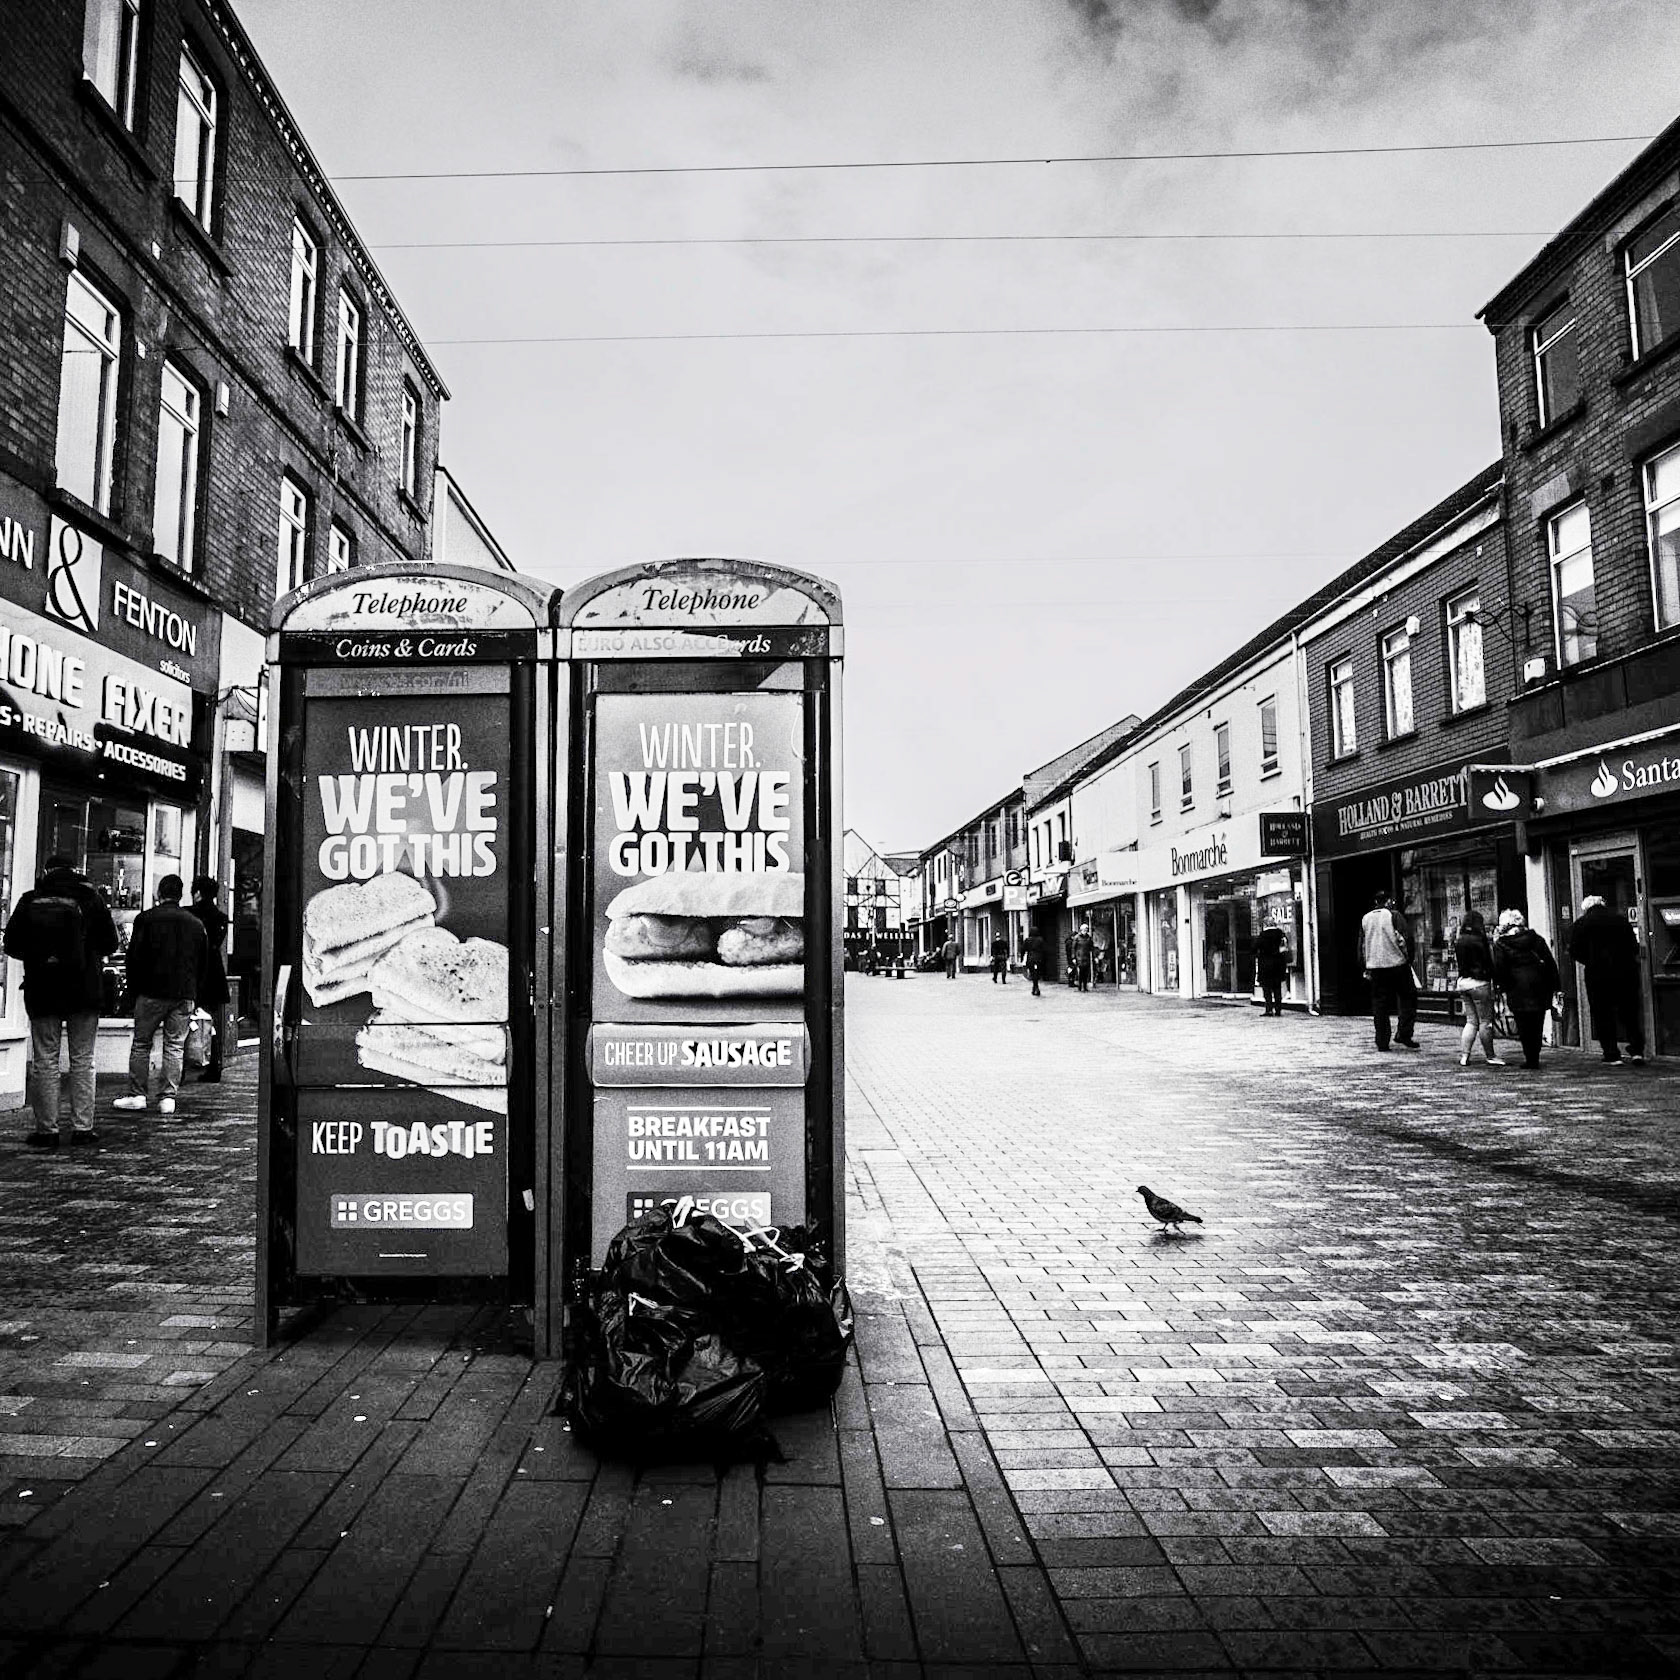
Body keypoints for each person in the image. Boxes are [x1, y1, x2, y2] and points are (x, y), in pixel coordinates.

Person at [3, 855, 119, 1147]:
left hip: (42, 988)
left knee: (45, 1059)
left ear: (46, 872)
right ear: (75, 871)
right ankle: (82, 1128)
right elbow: (110, 943)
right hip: (84, 989)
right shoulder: (91, 899)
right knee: (82, 1059)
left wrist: (41, 959)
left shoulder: (31, 900)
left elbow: (12, 944)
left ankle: (47, 1130)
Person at [113, 875, 207, 1116]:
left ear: (159, 893)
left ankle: (138, 1094)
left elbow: (133, 958)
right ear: (181, 894)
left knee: (142, 1043)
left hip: (151, 990)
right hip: (183, 992)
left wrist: (130, 991)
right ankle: (168, 1097)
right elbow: (202, 962)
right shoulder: (195, 924)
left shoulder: (146, 919)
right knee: (175, 1045)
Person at [1569, 894, 1645, 1065]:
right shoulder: (1620, 920)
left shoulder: (1581, 924)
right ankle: (1637, 1050)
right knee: (1629, 1013)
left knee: (1603, 1013)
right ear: (1602, 904)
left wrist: (1590, 960)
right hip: (1626, 973)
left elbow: (1574, 950)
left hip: (1598, 975)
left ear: (1586, 908)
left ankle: (1612, 1053)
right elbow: (1634, 946)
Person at [1492, 909, 1560, 1070]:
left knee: (1523, 1024)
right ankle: (1534, 1056)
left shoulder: (1501, 944)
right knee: (1537, 1022)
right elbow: (1550, 963)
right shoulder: (1536, 939)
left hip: (1517, 988)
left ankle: (1529, 1056)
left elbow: (1500, 969)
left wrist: (1502, 987)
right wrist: (1555, 986)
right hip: (1539, 986)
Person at [1360, 889, 1418, 1051]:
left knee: (1380, 1005)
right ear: (1388, 902)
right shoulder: (1394, 916)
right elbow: (1405, 939)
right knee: (1408, 998)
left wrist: (1365, 966)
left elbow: (1362, 946)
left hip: (1376, 967)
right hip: (1397, 965)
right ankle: (1404, 1033)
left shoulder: (1366, 919)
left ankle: (1382, 1041)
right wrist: (1408, 959)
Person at [188, 875, 229, 1082]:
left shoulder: (189, 914)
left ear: (197, 893)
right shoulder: (221, 918)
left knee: (185, 1020)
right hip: (214, 973)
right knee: (214, 1024)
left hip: (191, 972)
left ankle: (184, 1064)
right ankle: (214, 1066)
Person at [1452, 910, 1503, 1068]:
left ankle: (1465, 1056)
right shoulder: (1480, 940)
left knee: (1471, 1021)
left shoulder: (1460, 940)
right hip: (1480, 983)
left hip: (1463, 982)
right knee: (1485, 1021)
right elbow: (1489, 963)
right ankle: (1490, 1055)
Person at [1254, 922, 1289, 1016]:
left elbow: (1254, 948)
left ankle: (1269, 1009)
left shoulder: (1262, 935)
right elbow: (1285, 947)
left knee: (1267, 989)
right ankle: (1278, 1010)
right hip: (1278, 964)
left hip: (1265, 965)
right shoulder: (1281, 934)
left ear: (1265, 925)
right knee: (1277, 988)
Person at [1070, 921, 1094, 993]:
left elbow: (1091, 947)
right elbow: (1073, 948)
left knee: (1086, 973)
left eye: (1086, 930)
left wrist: (1093, 955)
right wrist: (1073, 957)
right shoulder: (1077, 938)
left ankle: (1085, 986)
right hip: (1079, 957)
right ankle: (1080, 986)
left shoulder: (1089, 938)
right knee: (1081, 972)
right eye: (1084, 930)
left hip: (1086, 957)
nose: (1085, 931)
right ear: (1081, 930)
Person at [1023, 926, 1046, 996]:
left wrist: (1022, 958)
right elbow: (1044, 949)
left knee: (1033, 973)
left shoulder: (1027, 940)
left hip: (1030, 958)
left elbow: (1023, 949)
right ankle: (1036, 987)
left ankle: (1035, 987)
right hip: (1039, 958)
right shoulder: (1040, 940)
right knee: (1037, 973)